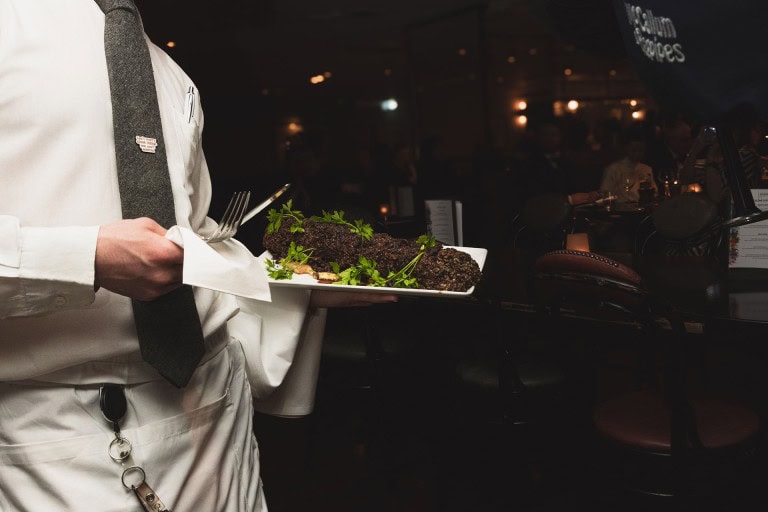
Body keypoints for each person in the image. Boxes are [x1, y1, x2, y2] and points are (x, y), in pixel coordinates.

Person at [0, 1, 396, 511]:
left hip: (216, 425)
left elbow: (201, 241)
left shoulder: (173, 75)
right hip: (56, 439)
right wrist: (87, 256)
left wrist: (301, 288)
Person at [600, 125, 658, 203]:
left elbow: (654, 192)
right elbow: (605, 193)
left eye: (640, 150)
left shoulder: (646, 169)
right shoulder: (614, 169)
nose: (637, 154)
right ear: (626, 148)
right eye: (634, 150)